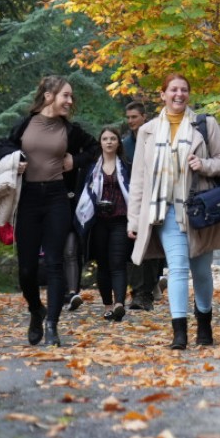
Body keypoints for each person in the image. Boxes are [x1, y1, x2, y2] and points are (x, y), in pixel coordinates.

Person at [0, 76, 99, 347]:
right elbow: (3, 150)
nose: (70, 101)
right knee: (26, 270)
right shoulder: (25, 125)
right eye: (65, 96)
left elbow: (93, 149)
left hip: (57, 198)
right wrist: (14, 163)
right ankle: (36, 310)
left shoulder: (69, 130)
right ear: (48, 96)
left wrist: (74, 160)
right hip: (28, 201)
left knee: (55, 263)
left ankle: (52, 325)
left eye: (71, 96)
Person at [127, 74, 220, 350]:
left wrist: (204, 165)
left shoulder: (204, 124)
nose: (179, 94)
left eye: (184, 90)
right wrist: (134, 219)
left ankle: (204, 323)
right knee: (177, 268)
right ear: (162, 94)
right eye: (173, 90)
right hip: (164, 211)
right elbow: (139, 178)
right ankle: (179, 332)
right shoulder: (147, 131)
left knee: (201, 271)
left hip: (201, 211)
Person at [79, 125, 134, 320]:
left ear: (118, 142)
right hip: (98, 222)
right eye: (105, 139)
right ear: (100, 142)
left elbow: (135, 193)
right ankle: (107, 305)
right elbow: (83, 194)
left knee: (118, 263)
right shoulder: (91, 168)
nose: (109, 142)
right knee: (102, 264)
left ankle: (119, 303)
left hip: (120, 220)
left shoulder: (126, 165)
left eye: (113, 138)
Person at [121, 99, 164, 311]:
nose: (130, 121)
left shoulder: (156, 139)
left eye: (134, 117)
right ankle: (138, 292)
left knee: (153, 246)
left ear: (144, 117)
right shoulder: (125, 145)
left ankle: (149, 287)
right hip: (131, 201)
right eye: (128, 118)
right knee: (133, 247)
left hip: (155, 199)